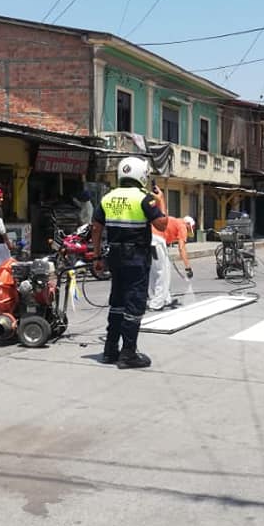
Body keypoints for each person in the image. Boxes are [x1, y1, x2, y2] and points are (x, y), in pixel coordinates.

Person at [92, 157, 168, 369]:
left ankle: (110, 351)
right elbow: (162, 225)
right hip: (136, 258)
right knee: (134, 304)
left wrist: (97, 257)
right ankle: (128, 354)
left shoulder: (108, 198)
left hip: (114, 258)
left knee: (117, 302)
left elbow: (96, 228)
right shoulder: (144, 199)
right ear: (141, 175)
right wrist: (161, 201)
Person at [148, 215, 195, 311]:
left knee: (154, 272)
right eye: (190, 228)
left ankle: (164, 299)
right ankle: (156, 304)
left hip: (149, 239)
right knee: (164, 274)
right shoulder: (182, 226)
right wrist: (188, 268)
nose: (188, 231)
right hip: (158, 242)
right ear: (188, 224)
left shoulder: (175, 221)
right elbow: (181, 248)